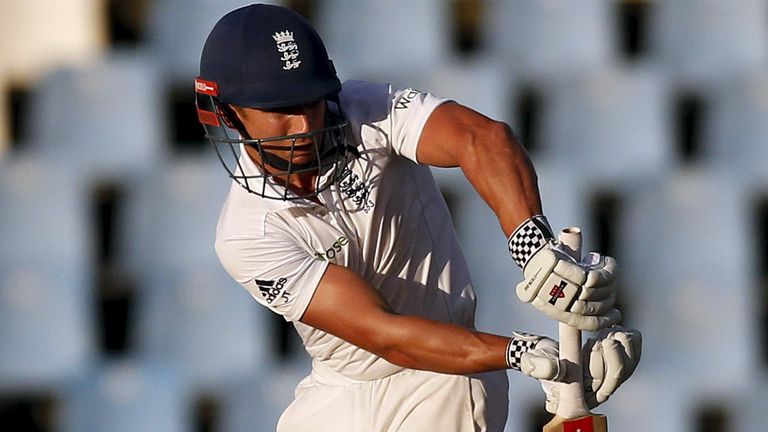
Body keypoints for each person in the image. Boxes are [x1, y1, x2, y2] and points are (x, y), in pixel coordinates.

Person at [195, 4, 641, 432]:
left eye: (309, 102)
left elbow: (481, 139)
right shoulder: (246, 234)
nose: (303, 125)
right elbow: (384, 333)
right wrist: (520, 351)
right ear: (230, 114)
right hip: (337, 386)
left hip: (444, 378)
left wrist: (534, 247)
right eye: (278, 111)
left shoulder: (367, 109)